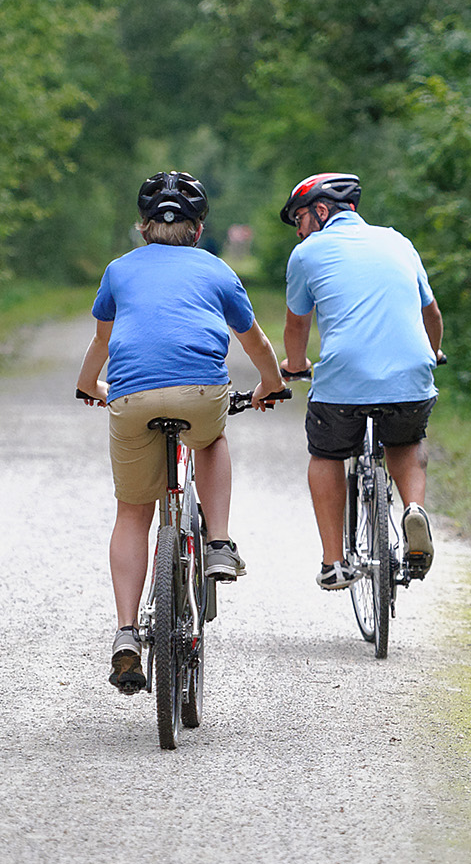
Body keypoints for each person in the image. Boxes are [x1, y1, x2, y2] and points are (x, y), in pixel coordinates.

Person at [74, 171, 285, 694]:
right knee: (211, 440)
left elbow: (103, 342)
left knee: (132, 511)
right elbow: (254, 342)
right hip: (199, 394)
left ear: (144, 227)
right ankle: (217, 543)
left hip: (130, 397)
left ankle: (126, 633)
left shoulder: (119, 270)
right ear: (198, 229)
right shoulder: (216, 270)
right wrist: (272, 385)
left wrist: (87, 386)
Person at [277, 172, 445, 590]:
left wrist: (295, 365)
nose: (299, 231)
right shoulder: (399, 242)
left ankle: (333, 561)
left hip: (343, 381)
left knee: (328, 453)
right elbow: (432, 315)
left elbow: (297, 325)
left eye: (300, 219)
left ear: (320, 211)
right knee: (405, 442)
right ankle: (414, 511)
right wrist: (434, 353)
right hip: (411, 375)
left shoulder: (307, 253)